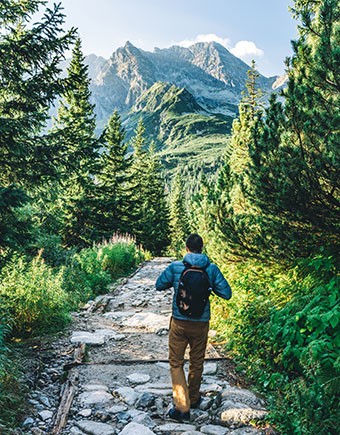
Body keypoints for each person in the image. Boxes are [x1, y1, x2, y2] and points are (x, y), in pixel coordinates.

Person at [155, 233, 231, 422]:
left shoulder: (176, 267)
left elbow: (159, 285)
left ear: (186, 249)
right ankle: (194, 398)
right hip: (201, 324)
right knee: (197, 362)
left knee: (176, 363)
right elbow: (227, 293)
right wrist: (209, 288)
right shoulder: (211, 269)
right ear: (202, 248)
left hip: (179, 323)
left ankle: (182, 408)